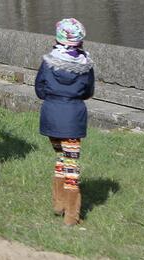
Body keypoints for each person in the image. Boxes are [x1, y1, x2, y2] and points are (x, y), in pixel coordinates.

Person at [35, 18, 94, 226]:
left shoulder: (48, 62)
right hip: (73, 117)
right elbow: (88, 91)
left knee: (60, 156)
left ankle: (59, 203)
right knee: (71, 164)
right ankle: (71, 214)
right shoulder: (85, 65)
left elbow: (39, 89)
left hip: (51, 116)